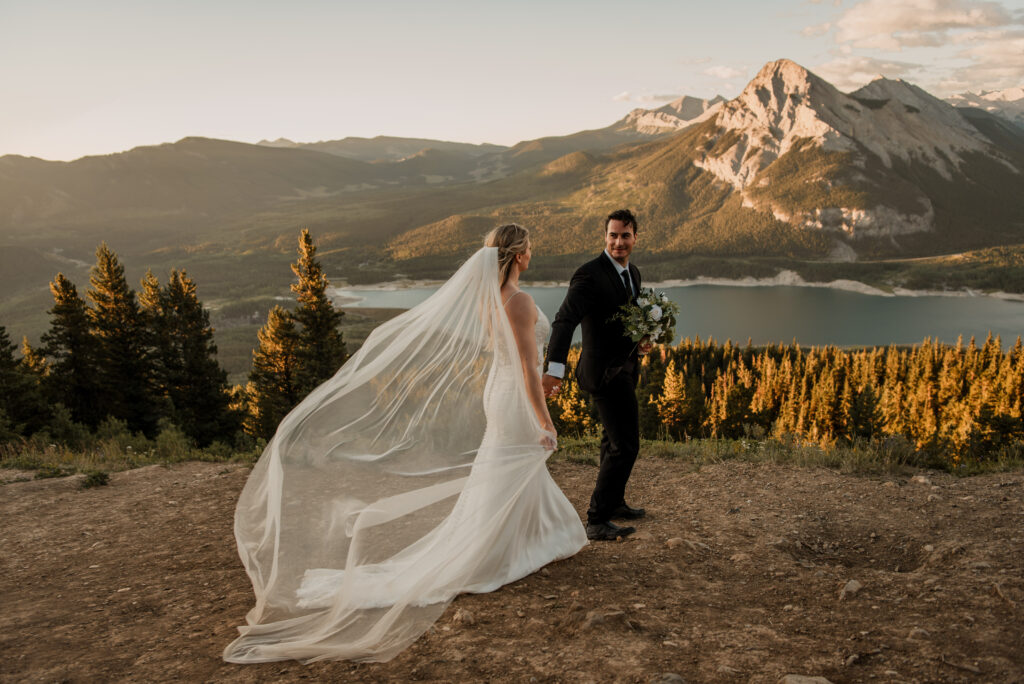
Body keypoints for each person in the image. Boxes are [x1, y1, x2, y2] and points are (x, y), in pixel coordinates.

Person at [223, 224, 586, 664]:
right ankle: (497, 552)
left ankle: (537, 536)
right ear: (518, 255)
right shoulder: (522, 301)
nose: (533, 254)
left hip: (499, 390)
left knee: (503, 471)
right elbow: (529, 371)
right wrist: (544, 420)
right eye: (529, 248)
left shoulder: (489, 299)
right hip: (513, 396)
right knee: (513, 466)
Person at [543, 209, 651, 542]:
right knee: (626, 444)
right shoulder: (589, 275)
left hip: (626, 369)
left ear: (635, 237)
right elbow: (563, 322)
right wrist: (554, 370)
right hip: (602, 373)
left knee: (611, 439)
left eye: (625, 235)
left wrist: (642, 341)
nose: (619, 241)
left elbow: (625, 321)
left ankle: (614, 501)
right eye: (613, 235)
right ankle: (596, 518)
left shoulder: (633, 273)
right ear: (605, 237)